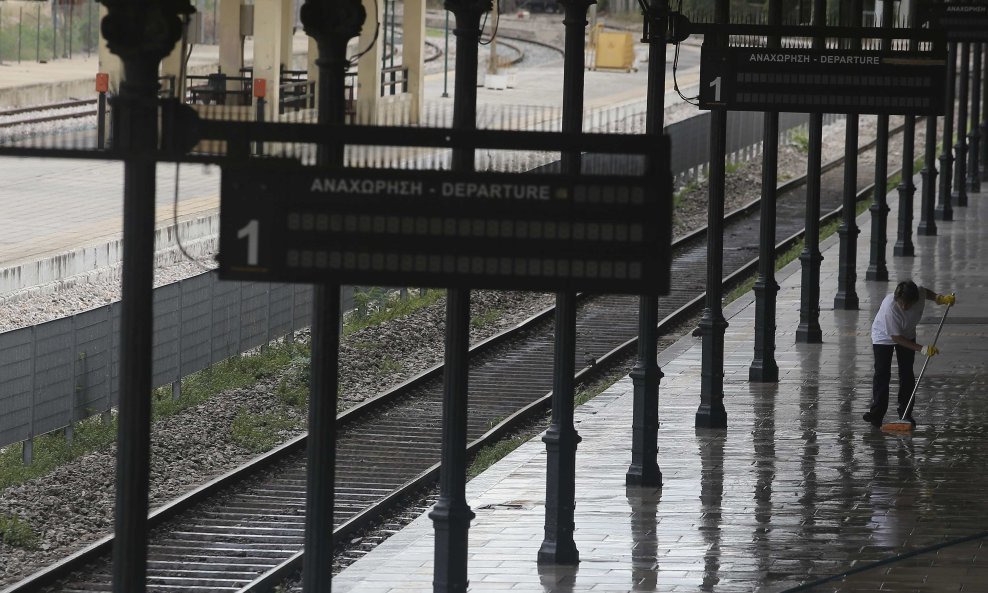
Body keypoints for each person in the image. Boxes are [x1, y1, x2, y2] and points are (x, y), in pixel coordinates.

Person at [864, 280, 955, 428]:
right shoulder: (889, 308)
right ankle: (877, 414)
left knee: (906, 374)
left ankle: (906, 414)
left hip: (907, 334)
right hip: (883, 336)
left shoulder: (919, 293)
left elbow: (925, 292)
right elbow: (896, 338)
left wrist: (939, 298)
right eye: (901, 303)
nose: (904, 307)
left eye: (908, 304)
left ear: (915, 300)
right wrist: (922, 348)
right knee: (882, 373)